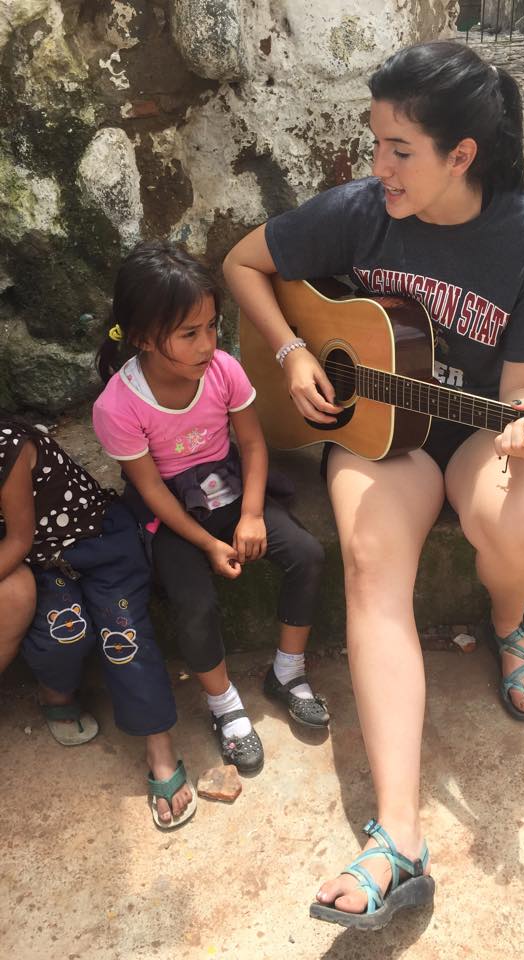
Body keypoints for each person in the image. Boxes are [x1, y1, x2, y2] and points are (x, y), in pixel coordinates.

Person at [223, 40, 524, 927]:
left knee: (521, 523)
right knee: (371, 563)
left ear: (461, 155)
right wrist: (293, 349)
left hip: (474, 429)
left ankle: (509, 622)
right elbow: (241, 262)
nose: (379, 166)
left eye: (400, 150)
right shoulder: (361, 212)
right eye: (376, 142)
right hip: (381, 433)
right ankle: (398, 837)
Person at [93, 241, 329, 777]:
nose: (207, 345)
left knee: (308, 554)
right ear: (143, 337)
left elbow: (253, 446)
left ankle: (287, 672)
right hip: (171, 514)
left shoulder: (223, 370)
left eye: (211, 327)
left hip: (229, 488)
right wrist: (207, 543)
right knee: (194, 601)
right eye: (189, 334)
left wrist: (251, 515)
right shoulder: (118, 406)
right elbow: (151, 491)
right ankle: (224, 703)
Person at [0, 415, 196, 829]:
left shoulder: (8, 446)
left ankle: (159, 744)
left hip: (96, 539)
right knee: (63, 633)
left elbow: (17, 539)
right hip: (40, 560)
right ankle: (56, 693)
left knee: (122, 633)